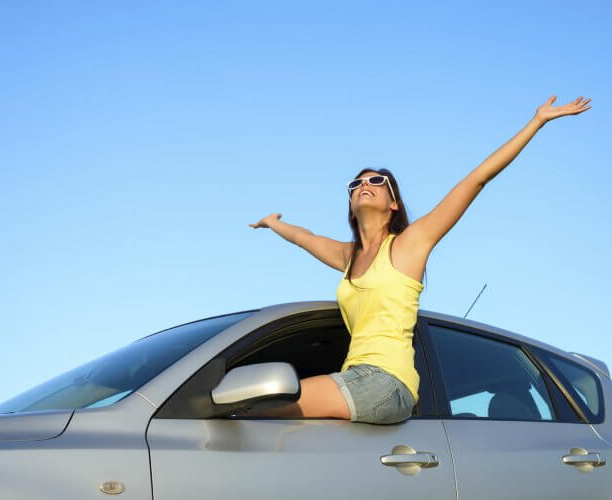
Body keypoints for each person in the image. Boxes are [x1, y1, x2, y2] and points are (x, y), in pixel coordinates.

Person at [248, 95, 592, 424]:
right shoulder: (349, 257)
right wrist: (274, 223)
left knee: (262, 406)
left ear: (393, 202)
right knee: (282, 428)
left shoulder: (410, 244)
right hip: (355, 379)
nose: (364, 184)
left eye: (377, 181)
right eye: (356, 183)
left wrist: (537, 122)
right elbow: (305, 238)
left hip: (387, 382)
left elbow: (476, 180)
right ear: (350, 202)